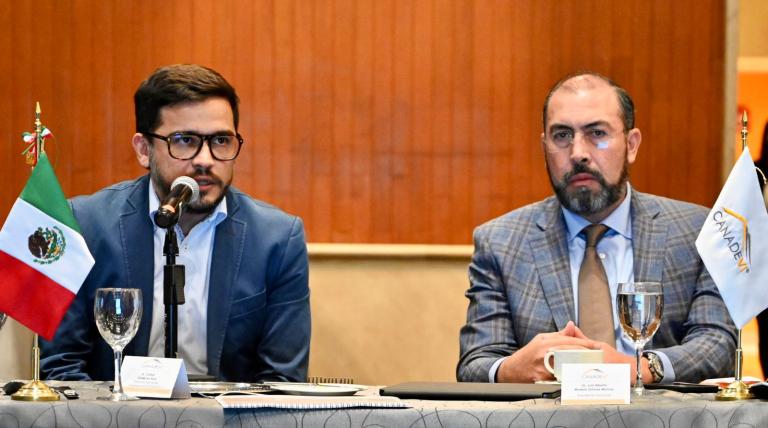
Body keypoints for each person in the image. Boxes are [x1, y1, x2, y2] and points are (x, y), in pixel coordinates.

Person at [457, 72, 736, 385]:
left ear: (631, 144)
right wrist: (510, 369)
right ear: (544, 147)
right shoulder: (500, 243)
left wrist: (639, 369)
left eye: (597, 133)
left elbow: (718, 344)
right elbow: (476, 363)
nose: (578, 153)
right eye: (562, 135)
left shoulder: (697, 232)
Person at [41, 64, 310, 382]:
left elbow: (283, 380)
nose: (205, 160)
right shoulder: (83, 225)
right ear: (144, 149)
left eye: (221, 140)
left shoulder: (277, 239)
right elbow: (61, 369)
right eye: (184, 140)